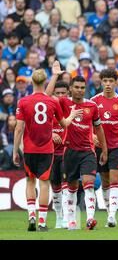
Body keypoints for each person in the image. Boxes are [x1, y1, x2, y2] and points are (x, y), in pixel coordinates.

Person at [12, 67, 81, 232]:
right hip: (46, 150)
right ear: (44, 82)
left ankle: (31, 216)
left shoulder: (23, 101)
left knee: (30, 182)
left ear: (32, 81)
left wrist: (15, 150)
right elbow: (64, 124)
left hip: (29, 149)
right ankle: (42, 221)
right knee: (44, 184)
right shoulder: (53, 102)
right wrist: (71, 115)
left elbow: (18, 129)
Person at [45, 62, 108, 231]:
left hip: (88, 151)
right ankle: (71, 220)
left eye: (82, 87)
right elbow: (46, 97)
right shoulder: (64, 103)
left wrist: (104, 149)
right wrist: (55, 75)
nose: (80, 90)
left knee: (88, 184)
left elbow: (99, 128)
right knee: (71, 187)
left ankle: (89, 219)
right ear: (71, 88)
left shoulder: (92, 106)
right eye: (77, 87)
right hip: (70, 151)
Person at [91, 69, 118, 228]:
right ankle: (109, 211)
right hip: (99, 147)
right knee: (105, 182)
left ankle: (111, 216)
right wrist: (92, 136)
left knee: (115, 180)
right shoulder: (94, 101)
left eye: (111, 81)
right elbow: (87, 125)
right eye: (105, 81)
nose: (108, 84)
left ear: (116, 82)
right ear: (101, 82)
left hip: (116, 147)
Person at [50, 81, 70, 229]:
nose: (61, 96)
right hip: (50, 154)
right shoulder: (47, 111)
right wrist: (50, 133)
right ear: (53, 94)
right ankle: (58, 217)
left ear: (68, 93)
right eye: (58, 93)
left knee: (66, 186)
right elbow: (38, 129)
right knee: (55, 186)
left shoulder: (72, 110)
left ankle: (67, 218)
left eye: (63, 93)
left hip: (67, 153)